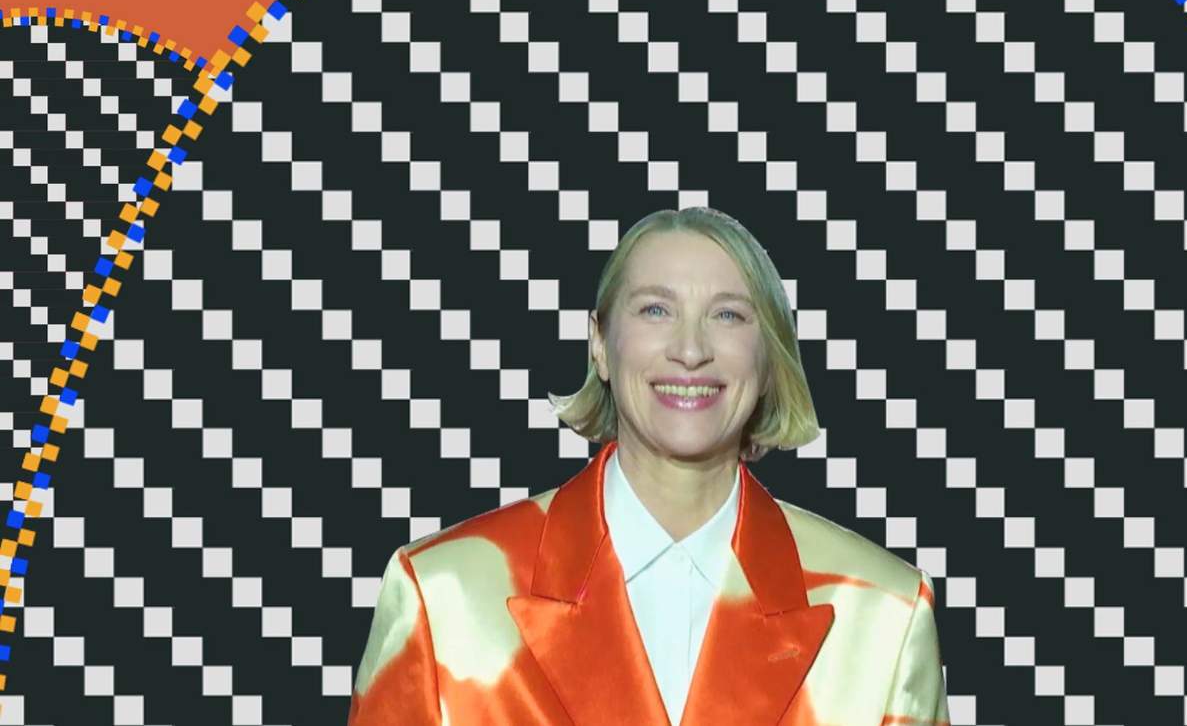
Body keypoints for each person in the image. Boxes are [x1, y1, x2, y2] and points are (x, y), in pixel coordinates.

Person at [346, 207, 952, 725]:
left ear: (769, 357)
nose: (690, 350)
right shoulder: (444, 595)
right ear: (600, 343)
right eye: (656, 310)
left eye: (728, 315)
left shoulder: (884, 614)